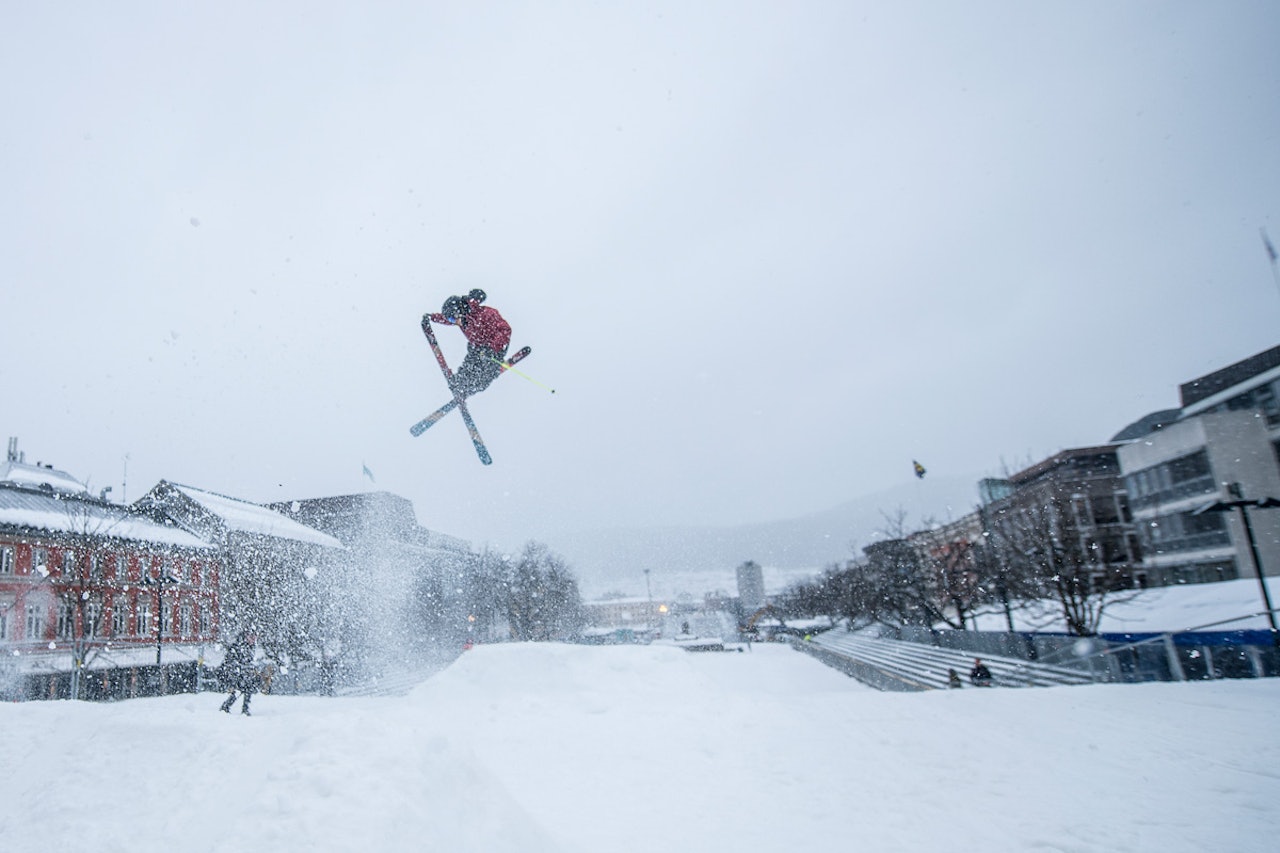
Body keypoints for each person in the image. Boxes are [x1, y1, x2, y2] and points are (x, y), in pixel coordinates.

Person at [423, 289, 512, 398]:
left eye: (452, 319)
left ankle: (473, 386)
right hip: (477, 348)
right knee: (469, 366)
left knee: (482, 376)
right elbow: (445, 318)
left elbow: (505, 330)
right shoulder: (463, 319)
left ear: (459, 312)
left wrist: (492, 348)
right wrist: (432, 317)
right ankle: (459, 384)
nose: (453, 322)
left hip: (495, 350)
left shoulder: (486, 314)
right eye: (451, 320)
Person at [218, 634, 258, 715]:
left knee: (243, 689)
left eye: (254, 638)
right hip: (235, 672)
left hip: (240, 673)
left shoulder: (249, 647)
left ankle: (228, 706)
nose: (253, 640)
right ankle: (240, 708)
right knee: (243, 689)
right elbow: (232, 660)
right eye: (251, 637)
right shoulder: (240, 647)